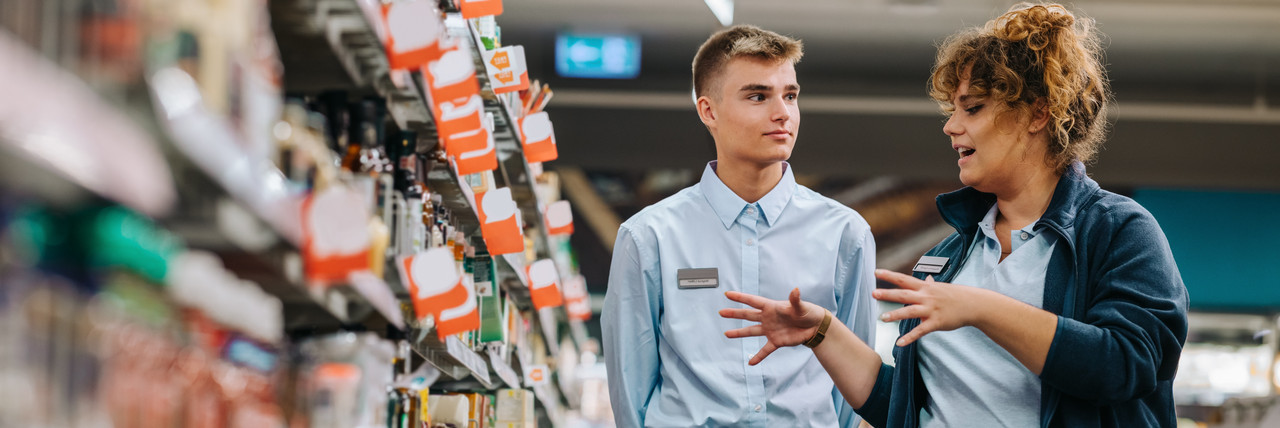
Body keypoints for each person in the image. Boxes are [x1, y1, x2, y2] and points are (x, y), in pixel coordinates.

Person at [718, 3, 1189, 428]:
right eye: (952, 109)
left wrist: (981, 308)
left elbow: (1127, 364)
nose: (950, 126)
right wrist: (821, 332)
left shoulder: (1117, 230)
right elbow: (906, 406)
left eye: (973, 108)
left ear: (1038, 114)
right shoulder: (951, 255)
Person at [602, 25, 877, 428]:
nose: (783, 112)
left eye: (790, 95)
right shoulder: (649, 237)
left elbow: (855, 383)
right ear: (708, 111)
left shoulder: (845, 234)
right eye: (758, 96)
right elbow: (631, 394)